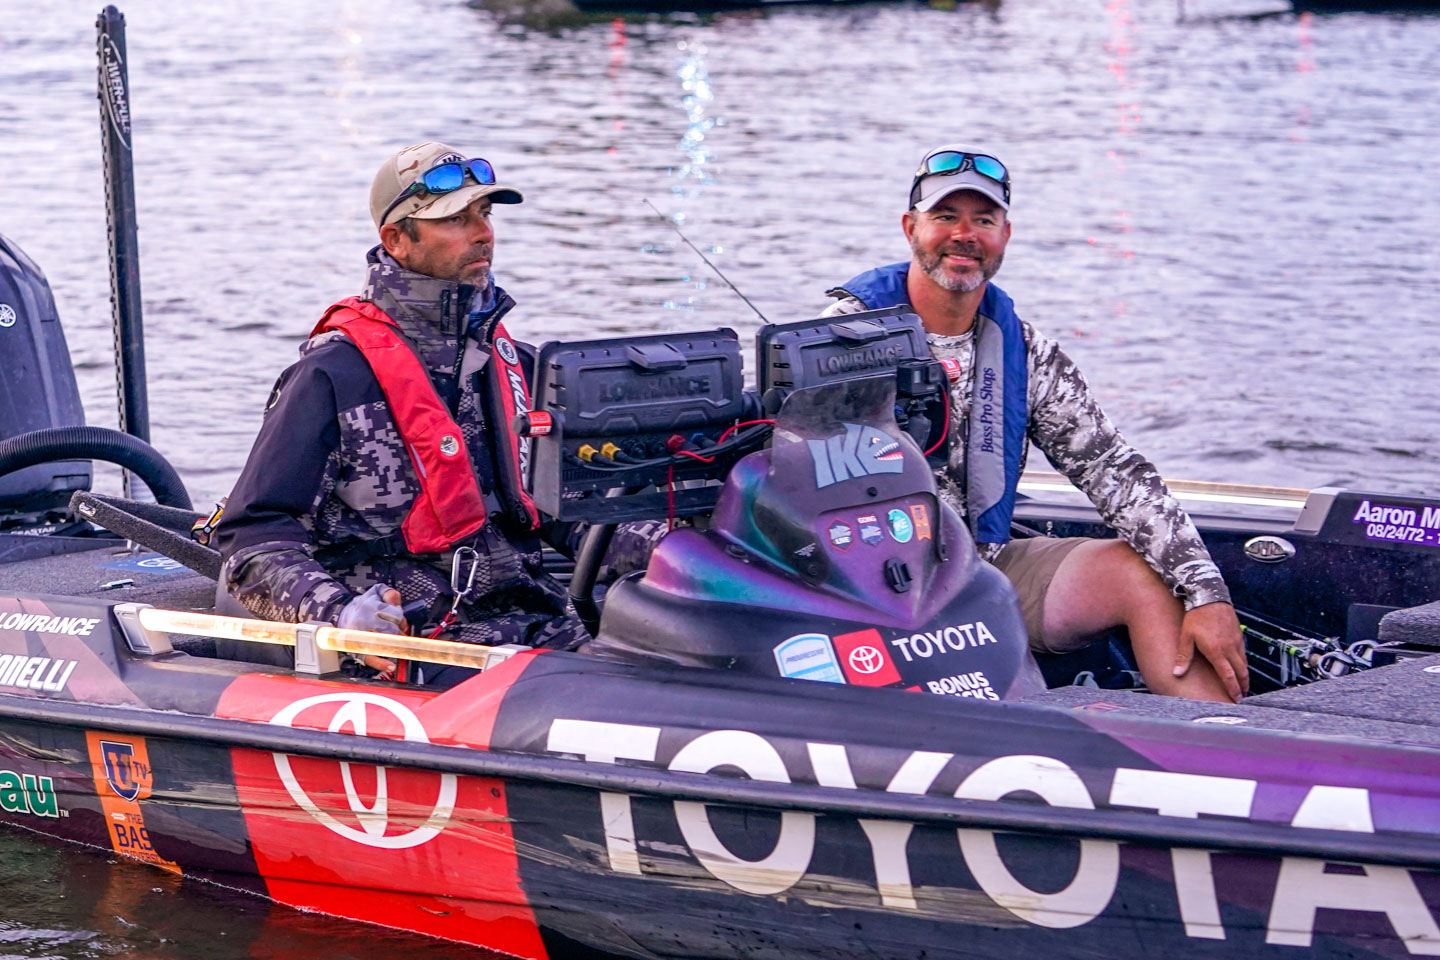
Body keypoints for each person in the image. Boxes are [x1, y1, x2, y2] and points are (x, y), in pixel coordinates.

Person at [821, 144, 1247, 703]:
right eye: (945, 216)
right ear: (910, 228)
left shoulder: (1026, 353)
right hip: (860, 578)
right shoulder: (838, 338)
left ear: (1005, 234)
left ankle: (1219, 737)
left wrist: (1206, 591)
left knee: (1140, 572)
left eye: (984, 220)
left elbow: (1113, 468)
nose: (964, 235)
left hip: (978, 572)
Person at [214, 142, 587, 681]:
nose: (483, 233)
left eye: (484, 214)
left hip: (543, 634)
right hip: (418, 654)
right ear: (396, 240)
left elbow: (573, 510)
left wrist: (681, 551)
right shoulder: (332, 377)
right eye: (455, 219)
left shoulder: (519, 367)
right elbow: (252, 541)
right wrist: (341, 616)